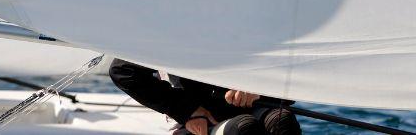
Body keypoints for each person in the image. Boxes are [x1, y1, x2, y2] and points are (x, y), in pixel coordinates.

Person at [109, 58, 301, 135]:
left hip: (256, 106)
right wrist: (187, 111)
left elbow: (299, 73)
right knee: (245, 128)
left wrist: (258, 87)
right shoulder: (169, 27)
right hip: (200, 118)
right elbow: (123, 72)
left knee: (282, 121)